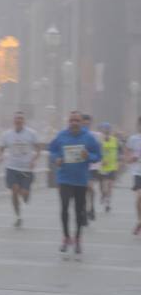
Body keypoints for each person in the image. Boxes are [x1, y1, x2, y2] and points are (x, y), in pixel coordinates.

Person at [48, 111, 102, 259]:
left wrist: (88, 156)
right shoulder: (61, 135)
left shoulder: (88, 137)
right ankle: (66, 237)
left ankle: (77, 239)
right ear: (68, 122)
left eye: (77, 120)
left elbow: (98, 155)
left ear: (81, 122)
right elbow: (51, 150)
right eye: (72, 120)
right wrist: (56, 159)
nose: (74, 123)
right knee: (64, 208)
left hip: (81, 180)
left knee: (79, 211)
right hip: (64, 179)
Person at [0, 111, 41, 228]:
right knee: (14, 191)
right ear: (13, 121)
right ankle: (18, 216)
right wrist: (0, 155)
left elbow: (38, 149)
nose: (18, 120)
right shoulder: (7, 135)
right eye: (16, 118)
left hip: (26, 169)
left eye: (21, 118)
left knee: (24, 195)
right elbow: (0, 147)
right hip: (12, 168)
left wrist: (34, 159)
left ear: (24, 121)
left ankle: (26, 193)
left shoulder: (31, 134)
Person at [81, 114, 102, 221]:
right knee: (83, 190)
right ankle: (84, 210)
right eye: (84, 122)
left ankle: (91, 207)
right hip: (81, 166)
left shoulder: (95, 135)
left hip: (93, 166)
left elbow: (99, 151)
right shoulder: (77, 134)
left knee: (90, 187)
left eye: (88, 123)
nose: (86, 124)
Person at [124, 116, 141, 235]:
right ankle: (139, 220)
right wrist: (131, 158)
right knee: (139, 197)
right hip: (138, 172)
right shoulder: (133, 139)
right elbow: (127, 156)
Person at [98, 123, 120, 213]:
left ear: (110, 131)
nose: (107, 131)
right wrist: (101, 159)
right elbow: (96, 152)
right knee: (104, 187)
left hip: (112, 166)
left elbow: (119, 152)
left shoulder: (115, 140)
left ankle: (108, 204)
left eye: (108, 129)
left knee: (110, 186)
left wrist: (119, 161)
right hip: (102, 167)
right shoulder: (99, 141)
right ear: (102, 131)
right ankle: (103, 195)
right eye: (105, 129)